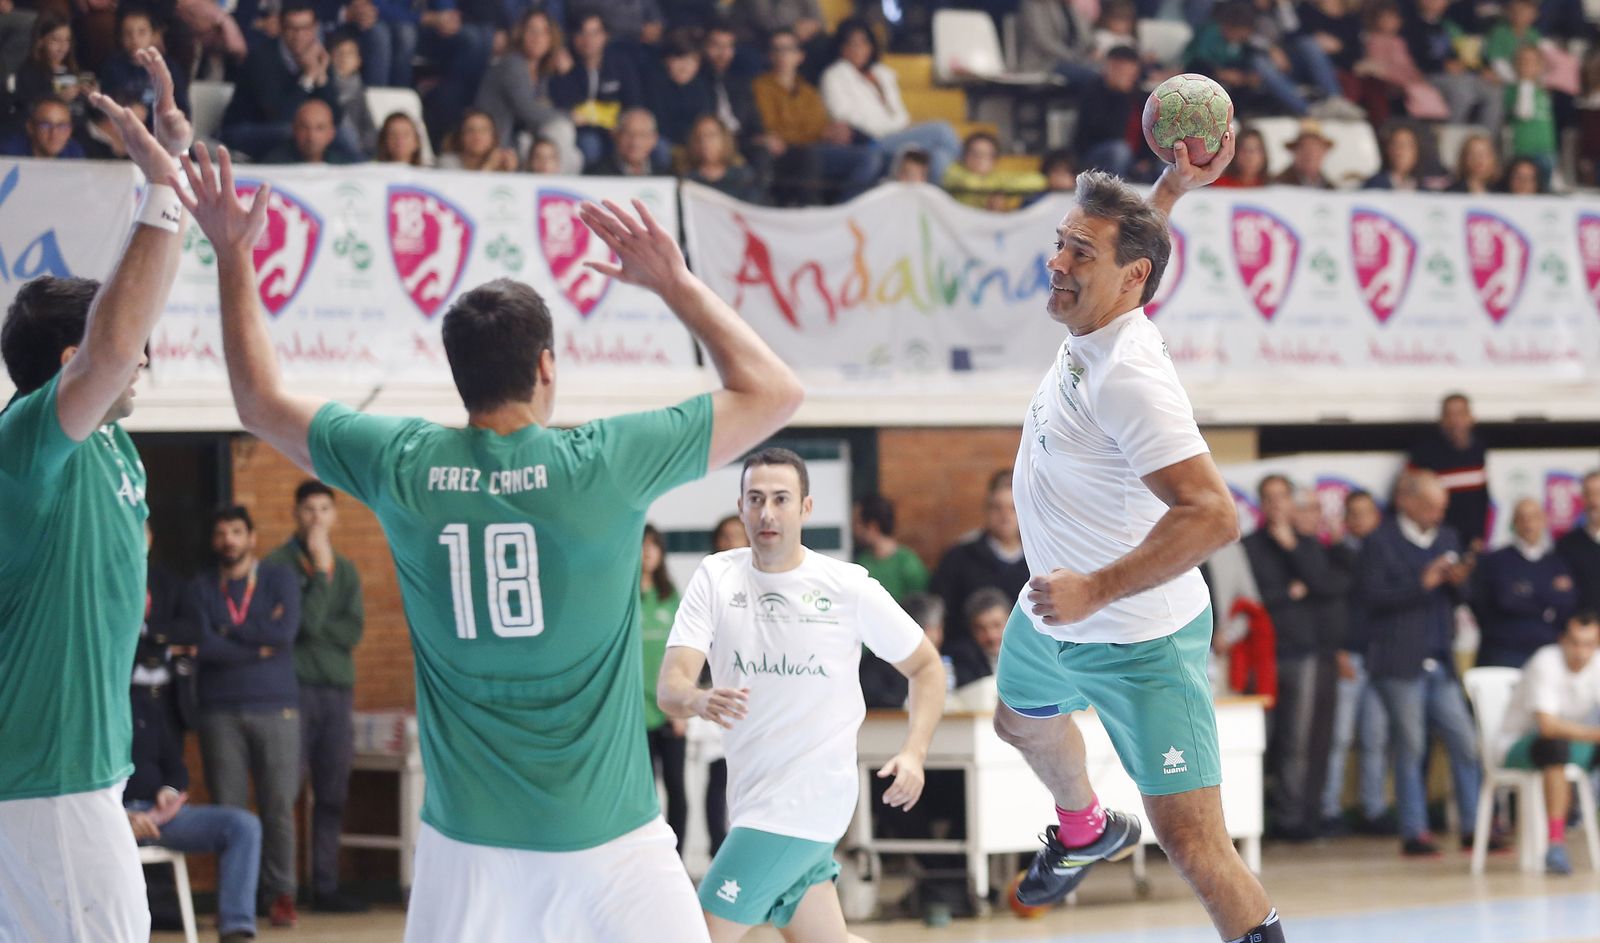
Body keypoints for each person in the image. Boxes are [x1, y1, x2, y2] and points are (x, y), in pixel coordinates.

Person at [176, 140, 803, 940]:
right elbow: (775, 389)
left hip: (466, 842)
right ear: (546, 365)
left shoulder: (405, 462)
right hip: (609, 834)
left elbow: (257, 400)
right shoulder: (601, 463)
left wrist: (231, 254)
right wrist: (674, 284)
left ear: (460, 374)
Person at [994, 131, 1287, 943]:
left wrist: (1096, 588)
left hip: (1137, 637)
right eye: (1061, 243)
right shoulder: (1100, 315)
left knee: (1194, 843)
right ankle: (1087, 828)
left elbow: (1213, 514)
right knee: (1019, 720)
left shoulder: (1131, 376)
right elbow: (1132, 247)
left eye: (1077, 253)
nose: (1057, 262)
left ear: (1130, 281)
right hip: (1053, 611)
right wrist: (1169, 186)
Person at [0, 51, 187, 943]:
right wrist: (161, 190)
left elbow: (120, 325)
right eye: (124, 344)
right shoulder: (27, 442)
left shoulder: (112, 443)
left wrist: (177, 186)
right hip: (48, 790)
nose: (145, 350)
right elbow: (114, 341)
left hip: (76, 781)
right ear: (68, 367)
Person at [658, 448, 946, 941]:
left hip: (804, 803)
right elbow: (671, 686)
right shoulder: (716, 577)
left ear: (805, 508)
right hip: (751, 798)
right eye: (755, 499)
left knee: (698, 933)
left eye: (781, 499)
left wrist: (915, 753)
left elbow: (925, 667)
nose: (767, 512)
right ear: (742, 506)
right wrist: (698, 700)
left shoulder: (845, 586)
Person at [1358, 470, 1494, 858]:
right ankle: (1414, 832)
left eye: (1442, 507)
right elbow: (1372, 597)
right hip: (1399, 662)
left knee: (1466, 744)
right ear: (1407, 501)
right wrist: (1423, 582)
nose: (1439, 513)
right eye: (1432, 506)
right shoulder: (1379, 541)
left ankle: (1474, 828)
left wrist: (1458, 580)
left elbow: (1462, 597)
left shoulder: (1448, 537)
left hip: (1442, 661)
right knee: (1411, 747)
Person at [189, 505, 303, 927]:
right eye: (221, 533)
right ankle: (236, 904)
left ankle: (282, 896)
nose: (229, 541)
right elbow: (203, 645)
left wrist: (228, 633)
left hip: (277, 707)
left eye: (237, 532)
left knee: (277, 806)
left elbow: (285, 634)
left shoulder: (279, 578)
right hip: (219, 711)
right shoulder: (201, 587)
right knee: (229, 811)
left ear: (252, 537)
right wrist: (258, 645)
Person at [264, 480, 368, 913]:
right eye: (309, 509)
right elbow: (303, 626)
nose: (317, 518)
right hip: (292, 693)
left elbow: (353, 631)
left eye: (325, 509)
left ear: (335, 515)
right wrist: (319, 576)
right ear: (295, 514)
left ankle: (325, 886)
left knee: (331, 792)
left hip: (337, 694)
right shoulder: (277, 566)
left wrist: (321, 599)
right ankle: (279, 891)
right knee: (284, 793)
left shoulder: (346, 569)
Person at [125, 649, 263, 943]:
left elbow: (176, 768)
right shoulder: (89, 716)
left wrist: (168, 791)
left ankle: (236, 929)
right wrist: (121, 816)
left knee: (243, 825)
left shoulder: (146, 708)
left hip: (160, 815)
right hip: (112, 818)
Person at [1243, 476, 1348, 840]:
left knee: (1298, 741)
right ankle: (1253, 820)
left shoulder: (1305, 545)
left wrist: (1292, 548)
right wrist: (1291, 592)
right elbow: (1252, 595)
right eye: (1268, 497)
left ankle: (1292, 821)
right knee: (1260, 740)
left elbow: (1323, 586)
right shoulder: (1249, 546)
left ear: (1290, 502)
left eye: (1281, 497)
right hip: (1262, 656)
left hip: (1302, 652)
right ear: (1260, 504)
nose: (1275, 504)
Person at [1493, 611, 1600, 875]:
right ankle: (1555, 843)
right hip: (1516, 746)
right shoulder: (1545, 662)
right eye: (1575, 642)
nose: (1581, 652)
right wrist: (1594, 734)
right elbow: (1548, 726)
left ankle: (1577, 808)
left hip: (1569, 743)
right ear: (1562, 640)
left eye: (1588, 644)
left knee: (1561, 748)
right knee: (1554, 747)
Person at [1321, 489, 1392, 835]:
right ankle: (1329, 810)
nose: (1361, 519)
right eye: (1355, 513)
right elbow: (1330, 609)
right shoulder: (1335, 554)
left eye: (1367, 512)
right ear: (1346, 520)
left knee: (1375, 737)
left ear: (1377, 516)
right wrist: (1337, 651)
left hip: (1382, 657)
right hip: (1348, 655)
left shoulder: (1388, 552)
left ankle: (1374, 808)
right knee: (1339, 737)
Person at [819, 18, 960, 185]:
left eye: (863, 43)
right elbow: (843, 115)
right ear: (841, 48)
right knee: (942, 130)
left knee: (939, 157)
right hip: (870, 141)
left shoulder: (883, 74)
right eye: (851, 44)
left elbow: (900, 113)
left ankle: (933, 205)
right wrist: (894, 129)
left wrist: (901, 129)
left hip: (895, 135)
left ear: (871, 46)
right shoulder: (834, 75)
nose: (857, 49)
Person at [751, 26, 881, 205]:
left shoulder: (808, 91)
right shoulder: (760, 88)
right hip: (789, 154)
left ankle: (842, 212)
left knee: (869, 157)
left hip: (818, 150)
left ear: (799, 56)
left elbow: (820, 125)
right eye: (777, 50)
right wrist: (818, 133)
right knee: (811, 156)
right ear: (770, 56)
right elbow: (773, 130)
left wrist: (832, 132)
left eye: (788, 49)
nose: (783, 56)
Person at [220, 1, 342, 159]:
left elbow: (335, 117)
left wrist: (322, 80)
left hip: (290, 126)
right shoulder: (261, 59)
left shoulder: (319, 56)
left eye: (305, 28)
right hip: (244, 130)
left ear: (315, 28)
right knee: (297, 133)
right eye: (292, 28)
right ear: (281, 28)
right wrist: (308, 77)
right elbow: (279, 115)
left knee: (336, 134)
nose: (299, 35)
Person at [929, 469, 1028, 649]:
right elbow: (941, 613)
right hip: (970, 663)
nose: (1005, 516)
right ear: (986, 510)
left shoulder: (1037, 562)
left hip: (1027, 657)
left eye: (1013, 508)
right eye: (997, 507)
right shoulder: (958, 559)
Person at [474, 10, 581, 174]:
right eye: (532, 30)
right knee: (561, 128)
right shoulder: (513, 65)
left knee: (575, 156)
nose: (538, 38)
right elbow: (528, 110)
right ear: (521, 34)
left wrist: (567, 75)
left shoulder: (541, 72)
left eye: (544, 32)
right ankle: (555, 191)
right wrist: (569, 116)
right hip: (498, 143)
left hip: (521, 139)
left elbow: (548, 107)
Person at [1475, 498, 1577, 669]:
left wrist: (1527, 591)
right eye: (1522, 518)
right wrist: (1547, 598)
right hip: (1504, 652)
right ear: (1514, 523)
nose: (1529, 524)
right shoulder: (1497, 560)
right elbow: (1506, 600)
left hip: (1546, 651)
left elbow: (1568, 603)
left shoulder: (1557, 562)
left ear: (1544, 520)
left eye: (1534, 517)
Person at [640, 523, 689, 853]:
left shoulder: (671, 597)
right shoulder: (620, 595)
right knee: (642, 793)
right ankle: (645, 857)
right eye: (641, 545)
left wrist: (682, 706)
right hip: (634, 714)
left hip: (669, 711)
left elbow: (686, 653)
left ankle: (676, 858)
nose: (647, 552)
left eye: (653, 545)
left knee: (676, 790)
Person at [549, 11, 642, 168]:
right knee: (590, 144)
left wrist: (621, 127)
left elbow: (634, 103)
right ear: (573, 37)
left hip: (618, 129)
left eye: (594, 33)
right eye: (582, 33)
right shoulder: (564, 66)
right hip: (581, 131)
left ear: (605, 36)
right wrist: (569, 75)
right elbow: (565, 104)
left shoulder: (620, 64)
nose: (588, 40)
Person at [1406, 392, 1489, 552]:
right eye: (1449, 415)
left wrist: (1479, 536)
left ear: (1471, 418)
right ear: (1441, 420)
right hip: (1435, 541)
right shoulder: (1424, 453)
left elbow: (1482, 498)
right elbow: (1406, 498)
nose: (1455, 421)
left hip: (1470, 543)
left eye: (1460, 414)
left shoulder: (1479, 450)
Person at [1404, 0, 1501, 130]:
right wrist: (1442, 66)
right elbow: (1413, 58)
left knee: (1492, 92)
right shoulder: (1410, 26)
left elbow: (1461, 54)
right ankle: (1452, 134)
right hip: (1430, 74)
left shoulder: (1448, 26)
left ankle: (1486, 139)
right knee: (1462, 92)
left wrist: (1482, 70)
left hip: (1457, 74)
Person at [862, 593, 946, 709]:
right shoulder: (878, 661)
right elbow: (871, 698)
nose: (940, 635)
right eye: (939, 628)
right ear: (928, 630)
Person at [943, 129, 1046, 211]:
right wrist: (997, 189)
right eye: (976, 154)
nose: (981, 160)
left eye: (987, 155)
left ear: (995, 159)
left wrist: (999, 193)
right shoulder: (954, 171)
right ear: (965, 156)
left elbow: (1039, 181)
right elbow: (968, 183)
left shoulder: (997, 177)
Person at [852, 493, 928, 603]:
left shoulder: (908, 563)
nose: (854, 529)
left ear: (873, 527)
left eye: (857, 523)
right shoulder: (862, 563)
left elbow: (922, 606)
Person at [682, 114, 767, 204]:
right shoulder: (687, 182)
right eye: (699, 137)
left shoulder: (743, 178)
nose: (704, 142)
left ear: (724, 139)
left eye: (711, 135)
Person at [1504, 44, 1557, 186]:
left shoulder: (1544, 92)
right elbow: (1524, 112)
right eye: (1522, 61)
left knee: (1545, 187)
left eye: (1532, 62)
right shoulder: (1512, 91)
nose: (1526, 65)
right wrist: (1525, 84)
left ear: (1540, 66)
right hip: (1524, 150)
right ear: (1515, 66)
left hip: (1546, 149)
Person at [1017, 0, 1098, 85]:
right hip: (1045, 63)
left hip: (1077, 61)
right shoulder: (1036, 4)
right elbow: (1043, 41)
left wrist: (1093, 48)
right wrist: (1074, 57)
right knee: (1093, 76)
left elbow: (1085, 34)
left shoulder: (1071, 7)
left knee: (1105, 73)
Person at [264, 98, 363, 164]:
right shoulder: (275, 164)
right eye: (304, 127)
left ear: (331, 134)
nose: (311, 136)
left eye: (320, 128)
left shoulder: (343, 166)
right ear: (294, 130)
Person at [1556, 472, 1600, 612]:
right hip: (1583, 628)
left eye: (1598, 493)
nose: (1594, 501)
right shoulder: (1566, 545)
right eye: (1588, 494)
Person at [948, 587, 1008, 688]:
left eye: (997, 625)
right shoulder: (963, 660)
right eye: (981, 628)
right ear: (972, 630)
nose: (991, 636)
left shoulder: (1030, 653)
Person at [588, 106, 669, 176]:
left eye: (642, 135)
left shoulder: (665, 177)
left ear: (654, 139)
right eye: (629, 134)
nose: (635, 142)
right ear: (616, 135)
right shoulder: (596, 175)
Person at [0, 95, 84, 158]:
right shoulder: (7, 154)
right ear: (31, 128)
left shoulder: (74, 152)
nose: (54, 134)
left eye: (62, 126)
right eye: (46, 125)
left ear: (70, 130)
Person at [437, 108, 518, 171]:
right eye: (470, 130)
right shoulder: (447, 162)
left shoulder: (501, 163)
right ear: (461, 136)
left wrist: (510, 173)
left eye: (484, 130)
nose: (477, 136)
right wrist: (489, 167)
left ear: (494, 137)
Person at [1272, 119, 1337, 188]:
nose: (1310, 154)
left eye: (1315, 148)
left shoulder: (1331, 188)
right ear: (1294, 151)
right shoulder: (1278, 184)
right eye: (1304, 148)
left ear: (1324, 152)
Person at [1362, 123, 1424, 190]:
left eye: (1407, 146)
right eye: (1397, 145)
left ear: (1416, 151)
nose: (1401, 152)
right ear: (1388, 150)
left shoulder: (1424, 186)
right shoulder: (1375, 184)